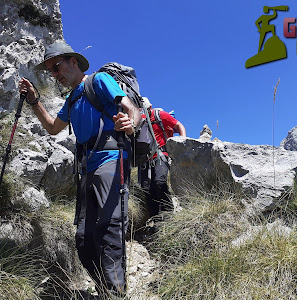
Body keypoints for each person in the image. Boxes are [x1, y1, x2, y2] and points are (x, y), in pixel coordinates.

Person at [19, 41, 141, 298]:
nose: (54, 74)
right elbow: (53, 127)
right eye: (50, 71)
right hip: (86, 168)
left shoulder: (99, 80)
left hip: (111, 158)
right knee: (84, 237)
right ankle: (104, 288)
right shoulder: (72, 98)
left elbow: (131, 108)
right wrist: (34, 100)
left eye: (57, 66)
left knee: (110, 227)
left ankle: (115, 293)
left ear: (73, 61)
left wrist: (130, 124)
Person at [139, 97, 186, 223]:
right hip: (144, 159)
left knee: (159, 182)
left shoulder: (160, 115)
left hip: (161, 154)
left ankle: (168, 214)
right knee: (146, 188)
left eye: (147, 110)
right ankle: (154, 218)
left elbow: (178, 125)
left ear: (150, 107)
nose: (146, 112)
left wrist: (182, 142)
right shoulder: (139, 120)